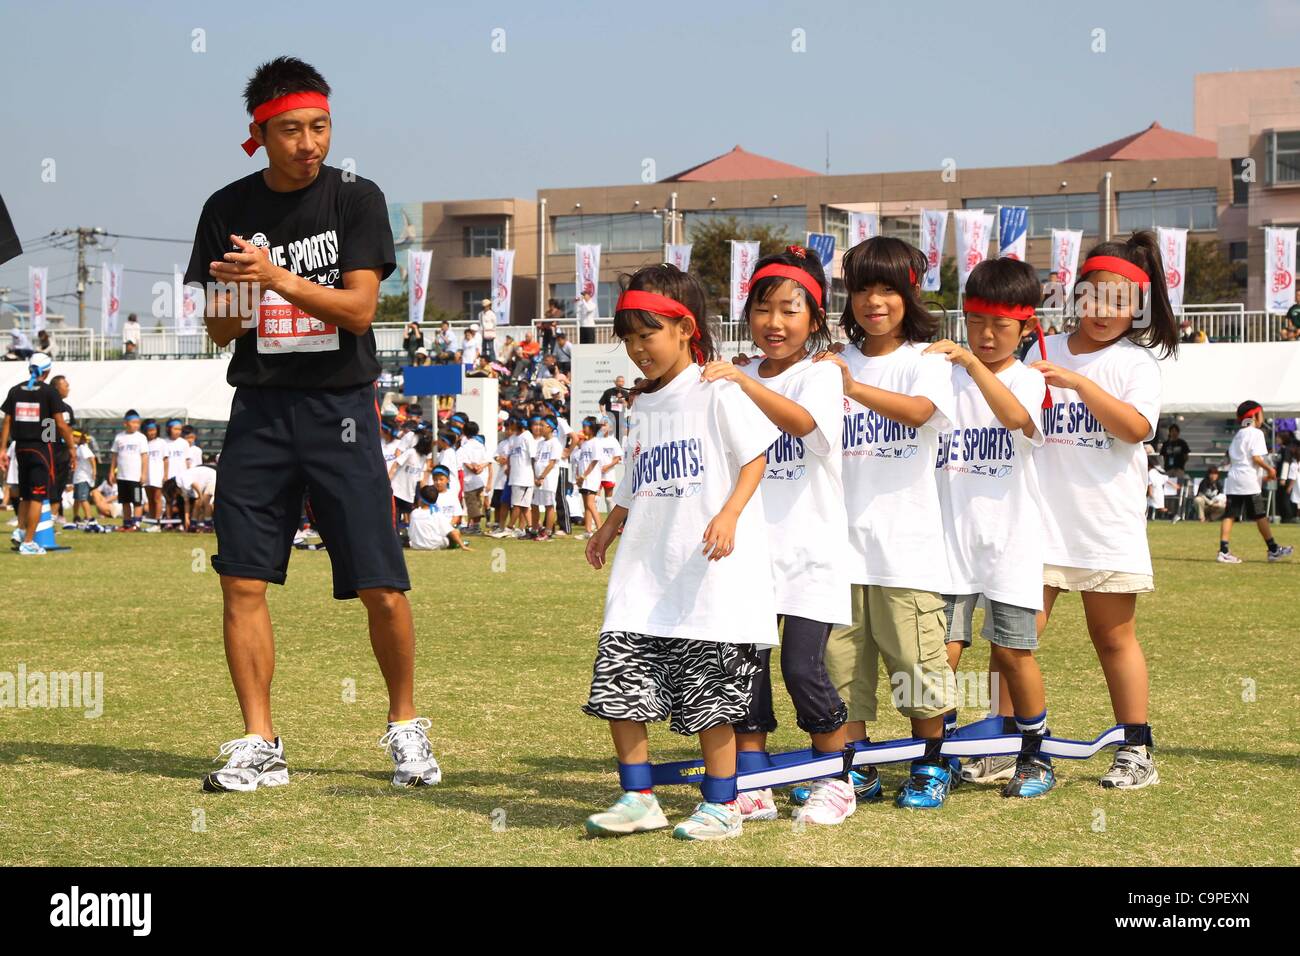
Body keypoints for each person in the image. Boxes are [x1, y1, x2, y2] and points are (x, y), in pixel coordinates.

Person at [184, 55, 439, 792]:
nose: (309, 144)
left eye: (320, 127)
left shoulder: (356, 200)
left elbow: (360, 310)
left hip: (341, 409)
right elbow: (222, 334)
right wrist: (231, 296)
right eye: (291, 130)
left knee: (380, 583)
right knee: (241, 581)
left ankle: (404, 727)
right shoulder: (226, 209)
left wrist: (278, 279)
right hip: (260, 408)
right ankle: (260, 741)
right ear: (258, 133)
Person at [581, 264, 778, 841]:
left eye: (649, 335)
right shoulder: (642, 405)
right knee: (622, 683)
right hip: (644, 570)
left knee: (711, 698)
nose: (639, 349)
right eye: (629, 339)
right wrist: (610, 525)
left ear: (685, 328)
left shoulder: (717, 389)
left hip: (707, 576)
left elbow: (755, 458)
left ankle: (721, 805)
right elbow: (633, 480)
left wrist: (729, 513)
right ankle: (638, 796)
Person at [703, 246, 857, 824]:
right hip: (749, 554)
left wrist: (740, 383)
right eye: (764, 309)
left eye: (791, 311)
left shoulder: (819, 374)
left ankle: (836, 778)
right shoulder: (734, 374)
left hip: (810, 553)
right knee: (744, 668)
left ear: (814, 320)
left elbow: (804, 424)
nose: (775, 323)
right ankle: (756, 780)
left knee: (802, 669)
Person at [1029, 230, 1182, 789]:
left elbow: (1135, 428)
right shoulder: (1039, 347)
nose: (1104, 310)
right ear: (1076, 294)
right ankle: (1010, 739)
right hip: (1039, 523)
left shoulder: (1135, 362)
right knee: (1016, 638)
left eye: (1121, 301)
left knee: (1113, 637)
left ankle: (1136, 748)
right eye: (1095, 295)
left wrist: (1076, 382)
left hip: (1104, 523)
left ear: (1138, 307)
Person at [813, 236, 959, 809]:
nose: (874, 301)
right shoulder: (831, 363)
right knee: (843, 671)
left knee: (916, 667)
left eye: (887, 289)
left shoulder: (928, 360)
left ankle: (930, 764)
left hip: (907, 550)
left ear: (909, 295)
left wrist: (851, 388)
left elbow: (921, 412)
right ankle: (857, 769)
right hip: (840, 552)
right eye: (862, 290)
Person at [925, 257, 1056, 798]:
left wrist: (972, 365)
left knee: (1011, 653)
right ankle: (942, 754)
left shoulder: (1029, 379)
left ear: (1025, 328)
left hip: (1010, 542)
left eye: (1000, 326)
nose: (984, 335)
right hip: (947, 541)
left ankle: (1034, 754)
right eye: (975, 321)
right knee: (940, 654)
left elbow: (1013, 418)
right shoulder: (942, 374)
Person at [0, 353, 76, 554]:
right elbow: (57, 424)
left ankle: (20, 530)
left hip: (20, 447)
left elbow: (7, 421)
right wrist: (71, 448)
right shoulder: (49, 393)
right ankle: (29, 541)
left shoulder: (15, 391)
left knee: (26, 494)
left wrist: (1, 449)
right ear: (48, 371)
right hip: (40, 449)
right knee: (37, 496)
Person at [1218, 400, 1293, 563]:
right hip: (1247, 481)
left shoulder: (1238, 434)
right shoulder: (1256, 433)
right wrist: (1270, 470)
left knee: (1230, 515)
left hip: (1234, 478)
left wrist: (1262, 475)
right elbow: (1255, 458)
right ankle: (1273, 550)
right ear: (1254, 415)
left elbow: (1240, 458)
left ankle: (1223, 550)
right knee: (1260, 515)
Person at [108, 410, 149, 530]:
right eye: (133, 422)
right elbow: (115, 455)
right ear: (125, 423)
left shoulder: (141, 438)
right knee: (125, 501)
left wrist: (144, 474)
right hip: (122, 476)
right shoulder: (119, 437)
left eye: (138, 422)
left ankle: (136, 524)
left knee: (137, 501)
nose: (136, 425)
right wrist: (111, 471)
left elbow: (145, 457)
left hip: (135, 477)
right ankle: (126, 523)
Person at [407, 478, 469, 551]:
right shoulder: (436, 514)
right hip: (434, 545)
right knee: (456, 532)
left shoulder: (414, 513)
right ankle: (457, 544)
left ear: (420, 499)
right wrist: (462, 546)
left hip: (416, 545)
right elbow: (452, 532)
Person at [48, 374, 75, 526]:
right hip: (50, 452)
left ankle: (53, 520)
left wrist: (72, 449)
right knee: (48, 488)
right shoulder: (47, 407)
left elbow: (70, 430)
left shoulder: (67, 409)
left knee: (59, 488)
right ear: (57, 388)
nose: (68, 388)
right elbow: (48, 433)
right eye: (66, 385)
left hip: (64, 454)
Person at [531, 416, 562, 540]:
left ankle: (548, 532)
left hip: (548, 480)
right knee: (534, 504)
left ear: (549, 427)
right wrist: (535, 477)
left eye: (542, 425)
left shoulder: (555, 443)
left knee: (549, 505)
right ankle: (534, 529)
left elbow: (552, 463)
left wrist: (542, 477)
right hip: (537, 479)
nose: (539, 428)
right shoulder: (540, 443)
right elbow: (536, 461)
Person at [456, 422, 490, 533]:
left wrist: (474, 469)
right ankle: (474, 525)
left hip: (469, 480)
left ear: (464, 432)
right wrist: (480, 468)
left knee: (472, 504)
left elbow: (465, 462)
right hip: (481, 480)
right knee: (477, 504)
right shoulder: (480, 445)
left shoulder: (464, 447)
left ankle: (475, 527)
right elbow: (487, 460)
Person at [71, 430, 98, 528]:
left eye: (74, 436)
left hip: (83, 477)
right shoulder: (78, 448)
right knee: (77, 499)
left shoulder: (83, 448)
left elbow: (92, 458)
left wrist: (94, 471)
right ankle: (76, 516)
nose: (72, 438)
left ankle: (89, 518)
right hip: (78, 477)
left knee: (82, 498)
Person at [143, 419, 166, 529]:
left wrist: (165, 475)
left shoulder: (161, 442)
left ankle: (157, 523)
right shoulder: (143, 443)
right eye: (149, 430)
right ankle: (152, 521)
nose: (152, 433)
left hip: (157, 474)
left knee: (157, 498)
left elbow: (166, 459)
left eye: (154, 430)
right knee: (150, 499)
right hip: (147, 474)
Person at [599, 376, 630, 441]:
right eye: (619, 381)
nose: (620, 383)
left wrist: (622, 400)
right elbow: (601, 404)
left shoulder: (625, 393)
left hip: (620, 417)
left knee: (619, 435)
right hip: (609, 416)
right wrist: (604, 415)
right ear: (615, 382)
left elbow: (628, 406)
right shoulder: (608, 392)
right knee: (607, 434)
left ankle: (618, 447)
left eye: (622, 381)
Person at [1146, 455, 1169, 520]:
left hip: (1155, 491)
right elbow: (1165, 479)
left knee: (1153, 505)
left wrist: (1150, 492)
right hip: (1159, 491)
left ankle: (1168, 514)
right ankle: (1169, 514)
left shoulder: (1150, 473)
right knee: (1158, 505)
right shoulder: (1155, 472)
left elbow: (1150, 483)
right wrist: (1173, 485)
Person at [477, 299, 497, 363]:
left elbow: (494, 323)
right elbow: (480, 322)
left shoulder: (492, 314)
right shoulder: (480, 314)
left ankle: (493, 361)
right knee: (483, 347)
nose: (485, 307)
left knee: (491, 348)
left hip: (490, 332)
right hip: (483, 332)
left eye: (487, 306)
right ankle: (484, 360)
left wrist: (490, 328)